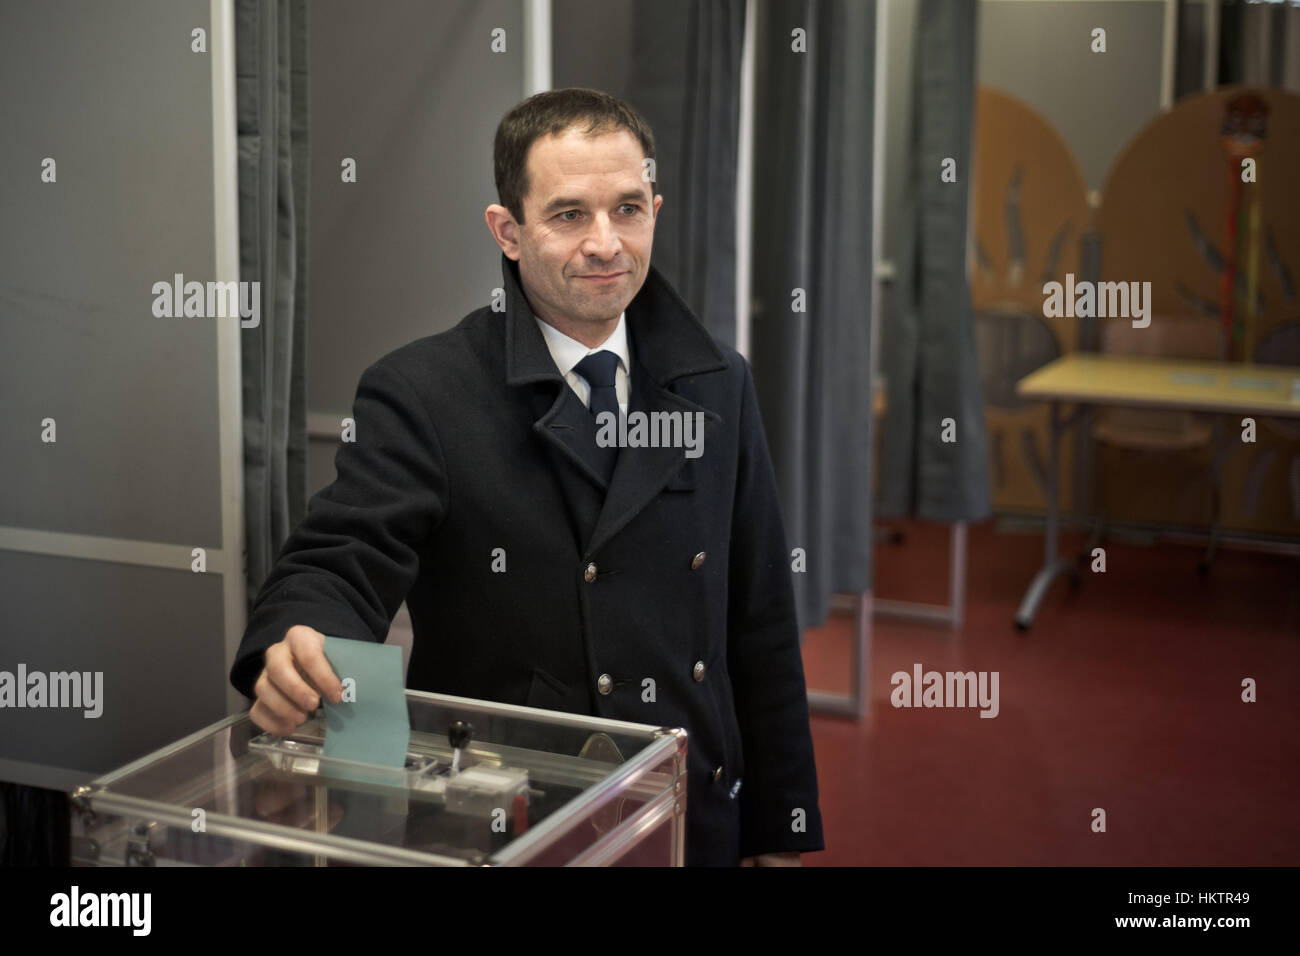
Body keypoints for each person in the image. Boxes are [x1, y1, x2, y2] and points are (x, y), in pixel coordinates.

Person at [230, 87, 824, 867]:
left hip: (689, 804)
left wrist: (782, 824)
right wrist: (298, 640)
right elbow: (338, 561)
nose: (607, 243)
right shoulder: (427, 394)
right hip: (514, 813)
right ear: (508, 232)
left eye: (629, 209)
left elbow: (760, 617)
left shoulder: (718, 382)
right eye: (570, 214)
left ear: (656, 209)